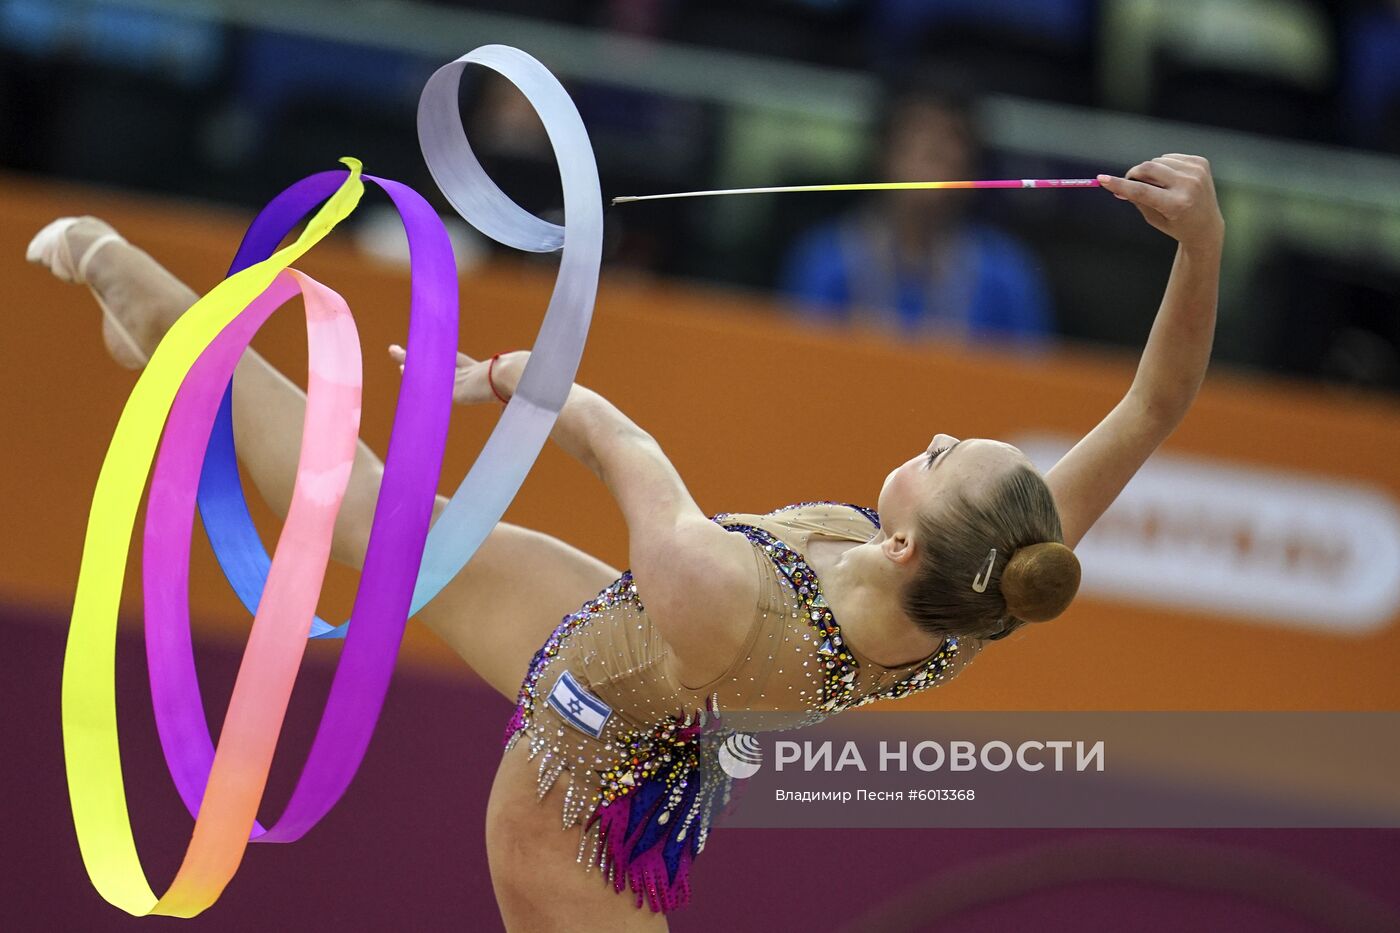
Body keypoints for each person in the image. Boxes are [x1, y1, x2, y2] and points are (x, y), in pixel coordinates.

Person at [30, 154, 1222, 931]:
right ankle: (169, 325)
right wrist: (1201, 242)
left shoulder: (726, 595)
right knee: (364, 515)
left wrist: (488, 377)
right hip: (626, 655)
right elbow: (1152, 405)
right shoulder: (997, 573)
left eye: (945, 452)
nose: (939, 430)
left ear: (907, 541)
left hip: (574, 796)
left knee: (375, 521)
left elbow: (609, 437)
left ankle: (176, 343)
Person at [780, 84, 1054, 343]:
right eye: (919, 133)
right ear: (884, 154)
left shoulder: (1007, 274)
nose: (935, 152)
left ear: (973, 167)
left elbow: (1032, 381)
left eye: (952, 137)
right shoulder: (827, 258)